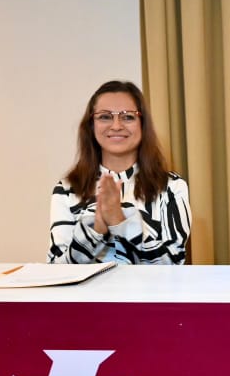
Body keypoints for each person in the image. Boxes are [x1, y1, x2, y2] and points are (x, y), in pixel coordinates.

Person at [48, 80, 192, 264]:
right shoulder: (67, 189)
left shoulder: (171, 186)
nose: (116, 126)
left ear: (143, 125)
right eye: (105, 117)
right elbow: (56, 267)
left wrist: (119, 221)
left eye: (128, 117)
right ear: (91, 125)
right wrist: (96, 230)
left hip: (149, 285)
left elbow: (174, 261)